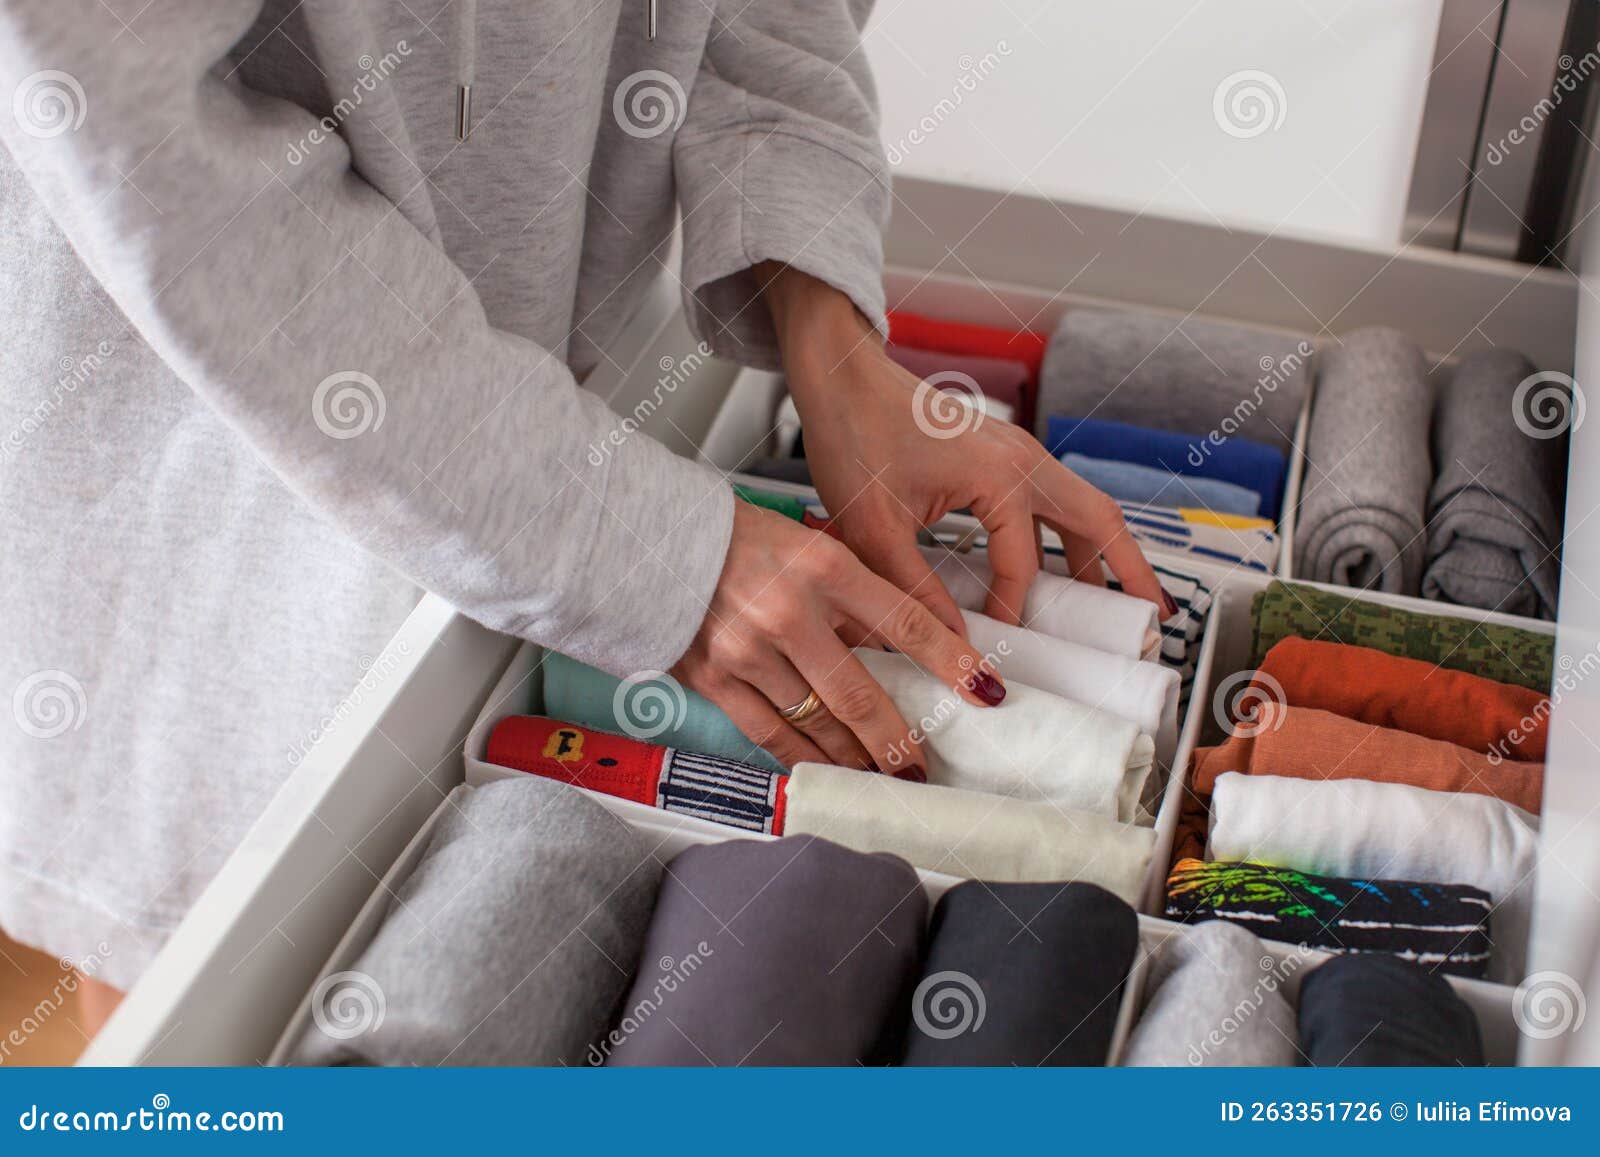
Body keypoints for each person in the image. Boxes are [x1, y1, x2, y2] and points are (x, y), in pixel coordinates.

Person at [0, 0, 1166, 1027]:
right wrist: (649, 550)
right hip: (213, 443)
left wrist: (831, 340)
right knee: (207, 959)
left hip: (529, 403)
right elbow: (148, 134)